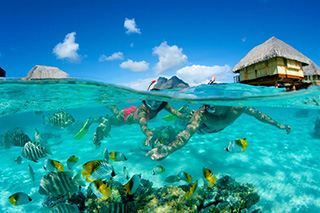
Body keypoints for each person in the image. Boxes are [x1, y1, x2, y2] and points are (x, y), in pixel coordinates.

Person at [146, 104, 291, 161]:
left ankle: (184, 112)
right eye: (206, 104)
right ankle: (183, 112)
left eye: (212, 105)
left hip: (216, 128)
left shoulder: (238, 107)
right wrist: (169, 148)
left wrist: (279, 125)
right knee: (186, 120)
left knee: (190, 117)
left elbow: (260, 115)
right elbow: (186, 134)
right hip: (203, 128)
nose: (208, 107)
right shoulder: (202, 113)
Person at [74, 88, 190, 149]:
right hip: (124, 118)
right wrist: (150, 135)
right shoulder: (143, 110)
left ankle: (107, 102)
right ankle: (92, 119)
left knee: (115, 112)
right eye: (150, 100)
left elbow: (176, 113)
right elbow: (143, 124)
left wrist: (187, 116)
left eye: (157, 101)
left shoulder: (163, 105)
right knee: (109, 121)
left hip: (130, 111)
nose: (154, 104)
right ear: (145, 99)